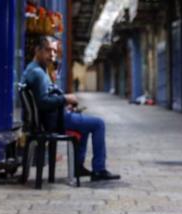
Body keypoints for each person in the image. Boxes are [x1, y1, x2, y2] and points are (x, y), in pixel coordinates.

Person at [22, 36, 120, 181]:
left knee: (85, 125)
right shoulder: (38, 73)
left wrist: (63, 103)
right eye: (48, 51)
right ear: (37, 50)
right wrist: (65, 99)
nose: (52, 55)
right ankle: (99, 170)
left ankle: (77, 167)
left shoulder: (33, 69)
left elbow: (44, 98)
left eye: (54, 52)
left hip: (51, 117)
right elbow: (43, 102)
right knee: (98, 124)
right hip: (54, 121)